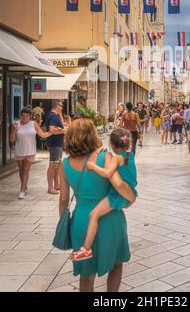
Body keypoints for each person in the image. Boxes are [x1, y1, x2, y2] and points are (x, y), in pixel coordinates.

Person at [59, 119, 136, 292]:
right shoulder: (104, 156)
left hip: (81, 220)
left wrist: (66, 224)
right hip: (110, 218)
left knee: (86, 276)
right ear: (92, 134)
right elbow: (118, 184)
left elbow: (63, 199)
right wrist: (132, 198)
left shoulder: (64, 165)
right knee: (116, 264)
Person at [70, 128, 138, 261]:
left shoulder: (116, 158)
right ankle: (86, 248)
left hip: (117, 195)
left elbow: (108, 174)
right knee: (95, 215)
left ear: (112, 145)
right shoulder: (130, 154)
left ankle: (86, 249)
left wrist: (92, 166)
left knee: (93, 214)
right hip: (128, 191)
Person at [10, 107, 51, 199]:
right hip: (19, 151)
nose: (25, 117)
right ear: (20, 116)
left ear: (30, 117)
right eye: (23, 116)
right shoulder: (16, 125)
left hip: (30, 151)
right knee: (21, 171)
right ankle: (24, 186)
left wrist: (52, 132)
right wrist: (13, 130)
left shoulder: (34, 124)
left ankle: (22, 190)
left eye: (27, 116)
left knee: (26, 170)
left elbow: (42, 134)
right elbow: (12, 139)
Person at [45, 101, 66, 195]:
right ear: (56, 106)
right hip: (54, 144)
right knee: (53, 165)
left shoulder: (54, 115)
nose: (62, 107)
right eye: (61, 106)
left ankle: (56, 184)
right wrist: (63, 131)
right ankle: (50, 188)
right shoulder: (53, 116)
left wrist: (61, 129)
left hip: (58, 143)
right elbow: (52, 130)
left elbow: (61, 124)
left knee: (57, 165)